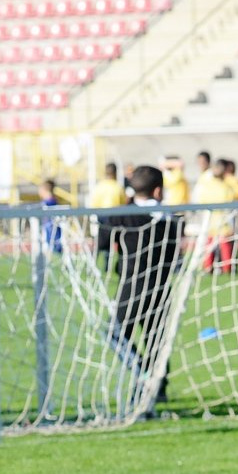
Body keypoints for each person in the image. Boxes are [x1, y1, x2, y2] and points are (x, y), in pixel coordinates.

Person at [99, 166, 180, 395]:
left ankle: (142, 370)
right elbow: (174, 252)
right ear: (158, 191)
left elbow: (104, 241)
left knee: (115, 333)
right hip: (161, 285)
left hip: (133, 284)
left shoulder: (123, 214)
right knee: (155, 339)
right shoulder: (169, 216)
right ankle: (158, 386)